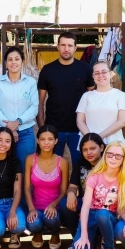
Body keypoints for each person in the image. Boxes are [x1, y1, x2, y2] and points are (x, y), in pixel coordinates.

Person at [71, 141, 125, 249]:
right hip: (91, 214)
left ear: (123, 159)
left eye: (118, 156)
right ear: (105, 155)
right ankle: (96, 239)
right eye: (110, 154)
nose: (113, 158)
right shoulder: (94, 176)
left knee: (102, 214)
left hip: (109, 216)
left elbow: (121, 207)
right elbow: (86, 206)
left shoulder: (124, 180)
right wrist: (83, 236)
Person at [37, 32, 95, 164]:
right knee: (52, 168)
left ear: (75, 47)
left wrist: (90, 128)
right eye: (63, 45)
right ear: (57, 46)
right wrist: (42, 129)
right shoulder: (47, 70)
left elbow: (94, 99)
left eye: (70, 45)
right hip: (53, 129)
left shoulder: (85, 69)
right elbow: (40, 103)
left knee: (81, 167)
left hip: (79, 129)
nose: (66, 49)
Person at [0, 46, 39, 165]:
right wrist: (9, 127)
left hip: (25, 132)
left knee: (24, 167)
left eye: (17, 59)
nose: (13, 62)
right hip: (2, 132)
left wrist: (17, 122)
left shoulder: (30, 82)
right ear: (6, 63)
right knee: (3, 168)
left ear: (22, 62)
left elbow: (34, 107)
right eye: (10, 59)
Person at [24, 125, 69, 249]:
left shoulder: (62, 162)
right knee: (33, 224)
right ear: (37, 141)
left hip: (55, 207)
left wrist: (54, 204)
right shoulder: (30, 160)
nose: (46, 142)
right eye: (43, 139)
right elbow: (27, 188)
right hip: (36, 207)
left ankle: (55, 233)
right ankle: (38, 233)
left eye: (50, 139)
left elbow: (64, 191)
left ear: (56, 141)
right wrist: (31, 208)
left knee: (51, 219)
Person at [60, 133, 105, 248]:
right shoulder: (80, 163)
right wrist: (71, 193)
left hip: (103, 206)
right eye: (85, 150)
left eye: (92, 148)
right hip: (84, 203)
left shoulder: (108, 163)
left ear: (101, 147)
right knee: (65, 204)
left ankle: (102, 238)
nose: (89, 152)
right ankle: (77, 237)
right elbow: (73, 186)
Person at [76, 60, 125, 146]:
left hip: (114, 144)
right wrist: (90, 138)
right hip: (89, 145)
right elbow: (80, 121)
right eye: (97, 73)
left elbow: (122, 121)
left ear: (110, 74)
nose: (100, 75)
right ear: (93, 76)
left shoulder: (120, 95)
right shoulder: (86, 96)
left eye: (104, 72)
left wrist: (98, 137)